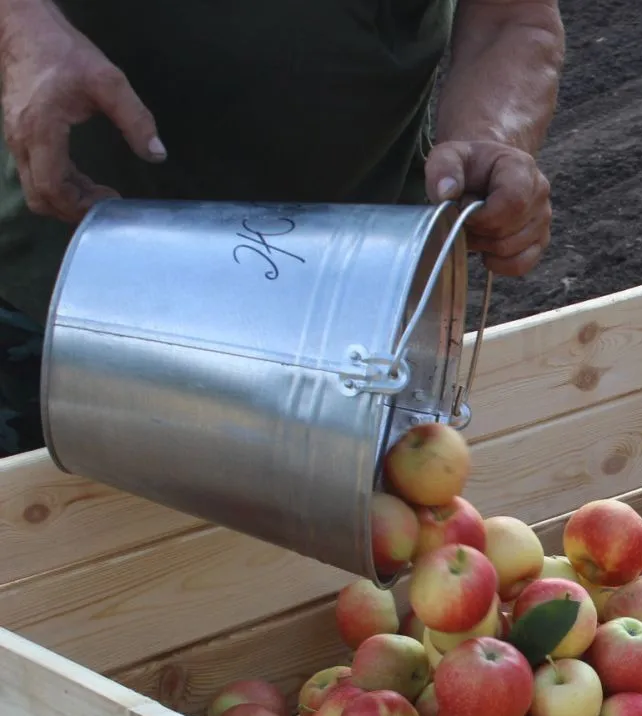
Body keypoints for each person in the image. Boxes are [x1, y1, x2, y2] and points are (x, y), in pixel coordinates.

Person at [0, 0, 564, 456]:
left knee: (306, 589)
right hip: (63, 298)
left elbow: (510, 18)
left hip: (352, 328)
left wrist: (489, 138)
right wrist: (20, 28)